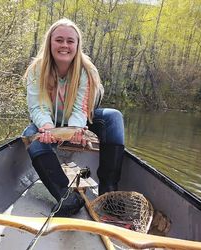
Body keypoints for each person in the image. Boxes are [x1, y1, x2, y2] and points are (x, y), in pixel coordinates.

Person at [22, 18, 125, 217]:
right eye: (59, 40)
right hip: (49, 123)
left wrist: (77, 130)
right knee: (30, 135)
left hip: (80, 120)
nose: (64, 45)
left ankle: (109, 192)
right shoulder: (36, 69)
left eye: (70, 41)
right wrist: (46, 127)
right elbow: (38, 106)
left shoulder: (87, 70)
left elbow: (81, 109)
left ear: (77, 45)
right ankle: (66, 197)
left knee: (114, 117)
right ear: (49, 42)